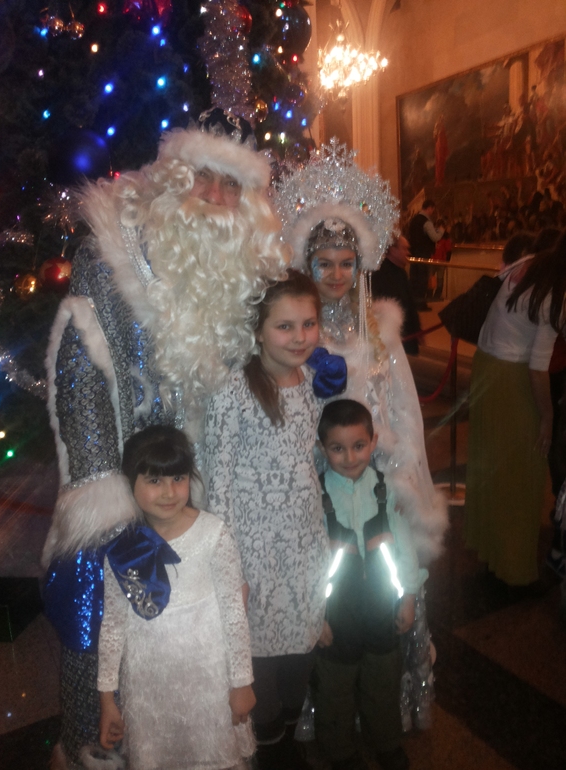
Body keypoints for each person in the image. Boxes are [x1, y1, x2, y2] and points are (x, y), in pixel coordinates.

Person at [43, 108, 287, 769]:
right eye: (205, 177)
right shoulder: (109, 262)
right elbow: (80, 375)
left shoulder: (245, 278)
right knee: (104, 631)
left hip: (204, 504)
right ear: (175, 178)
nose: (217, 197)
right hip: (129, 500)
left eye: (232, 187)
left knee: (200, 645)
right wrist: (117, 513)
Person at [273, 143, 447, 731]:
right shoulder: (297, 328)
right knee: (330, 584)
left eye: (346, 262)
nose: (336, 275)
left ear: (361, 264)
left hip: (373, 468)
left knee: (384, 579)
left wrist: (405, 466)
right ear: (307, 264)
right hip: (318, 471)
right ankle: (324, 712)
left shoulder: (378, 329)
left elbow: (400, 403)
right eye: (324, 263)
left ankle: (384, 705)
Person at [204, 270, 346, 770]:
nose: (300, 337)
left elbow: (315, 457)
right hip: (254, 552)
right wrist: (228, 567)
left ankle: (287, 728)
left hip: (303, 546)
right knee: (259, 657)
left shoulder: (312, 385)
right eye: (285, 326)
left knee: (300, 653)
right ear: (259, 330)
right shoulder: (234, 390)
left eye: (309, 324)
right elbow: (218, 484)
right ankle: (270, 747)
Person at [97, 425, 256, 770]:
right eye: (154, 480)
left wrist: (241, 682)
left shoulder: (213, 534)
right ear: (130, 483)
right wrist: (107, 698)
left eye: (178, 478)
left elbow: (234, 612)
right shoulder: (122, 549)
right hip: (149, 686)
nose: (169, 492)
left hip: (209, 682)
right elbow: (113, 624)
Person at [313, 399, 419, 770]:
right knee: (335, 688)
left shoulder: (385, 492)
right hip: (336, 613)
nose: (349, 457)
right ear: (322, 448)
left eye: (359, 445)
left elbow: (405, 550)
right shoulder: (316, 496)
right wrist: (315, 617)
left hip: (381, 608)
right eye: (337, 448)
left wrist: (408, 597)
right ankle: (340, 752)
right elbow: (308, 565)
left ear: (373, 442)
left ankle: (387, 744)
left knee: (383, 682)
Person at [465, 234, 566, 587]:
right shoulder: (554, 295)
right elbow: (538, 369)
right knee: (521, 475)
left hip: (486, 368)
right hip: (513, 380)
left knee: (493, 468)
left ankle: (492, 552)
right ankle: (514, 568)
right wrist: (547, 418)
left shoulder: (528, 264)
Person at [370, 235, 422, 356]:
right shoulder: (379, 274)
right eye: (404, 248)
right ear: (393, 250)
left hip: (406, 334)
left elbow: (409, 303)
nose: (408, 252)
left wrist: (417, 328)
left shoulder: (401, 272)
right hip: (392, 339)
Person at [407, 199, 444, 310]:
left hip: (413, 254)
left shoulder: (414, 220)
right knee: (422, 279)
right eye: (433, 209)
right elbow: (434, 237)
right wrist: (441, 231)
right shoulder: (426, 222)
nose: (433, 212)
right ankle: (421, 304)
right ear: (429, 208)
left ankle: (413, 303)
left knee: (414, 279)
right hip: (423, 254)